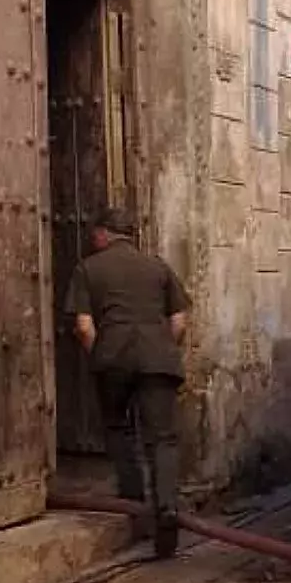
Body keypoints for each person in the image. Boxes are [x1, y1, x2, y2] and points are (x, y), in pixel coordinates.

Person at [65, 207, 191, 559]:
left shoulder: (88, 269)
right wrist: (163, 347)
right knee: (162, 439)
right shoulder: (158, 267)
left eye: (95, 235)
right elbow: (179, 320)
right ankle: (166, 508)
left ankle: (135, 508)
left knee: (119, 429)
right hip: (158, 360)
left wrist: (100, 355)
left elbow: (84, 326)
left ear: (105, 234)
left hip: (114, 359)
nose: (93, 240)